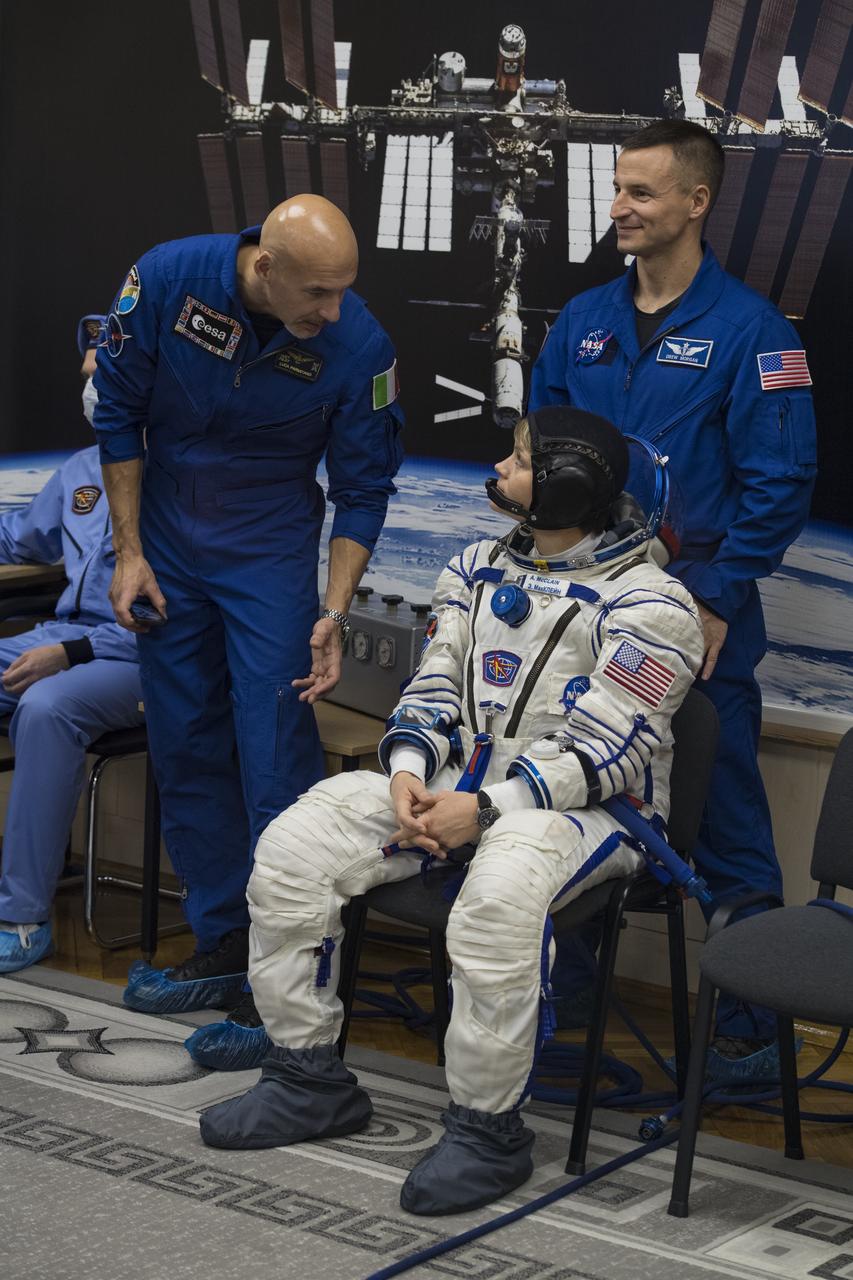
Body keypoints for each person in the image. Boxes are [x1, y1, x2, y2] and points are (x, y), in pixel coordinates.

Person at [197, 406, 705, 1216]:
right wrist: (405, 775)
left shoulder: (654, 606)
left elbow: (608, 754)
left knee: (498, 896)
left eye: (520, 459)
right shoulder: (473, 568)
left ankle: (486, 1130)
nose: (501, 469)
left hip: (596, 815)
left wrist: (486, 810)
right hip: (455, 787)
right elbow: (430, 689)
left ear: (567, 486)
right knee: (299, 842)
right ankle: (305, 1078)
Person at [529, 120, 817, 1079]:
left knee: (723, 821)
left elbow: (778, 486)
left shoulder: (752, 335)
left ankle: (749, 1034)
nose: (619, 207)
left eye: (642, 193)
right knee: (568, 806)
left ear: (696, 203)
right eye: (617, 189)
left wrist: (716, 601)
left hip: (697, 624)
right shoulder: (582, 324)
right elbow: (545, 463)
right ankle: (559, 1000)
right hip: (583, 618)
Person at [91, 196, 404, 1067]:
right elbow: (116, 412)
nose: (330, 312)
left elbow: (363, 487)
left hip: (266, 542)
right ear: (263, 268)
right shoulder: (166, 280)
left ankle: (295, 971)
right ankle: (225, 941)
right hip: (165, 537)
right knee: (185, 740)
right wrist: (127, 554)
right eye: (316, 293)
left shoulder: (359, 345)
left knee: (275, 753)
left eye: (344, 292)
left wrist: (332, 611)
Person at [0, 316, 143, 972]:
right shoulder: (83, 466)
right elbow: (24, 539)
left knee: (48, 707)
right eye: (85, 373)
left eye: (100, 374)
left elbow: (179, 616)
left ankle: (22, 919)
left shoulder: (180, 472)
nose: (87, 384)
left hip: (141, 656)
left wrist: (72, 655)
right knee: (43, 690)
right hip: (66, 633)